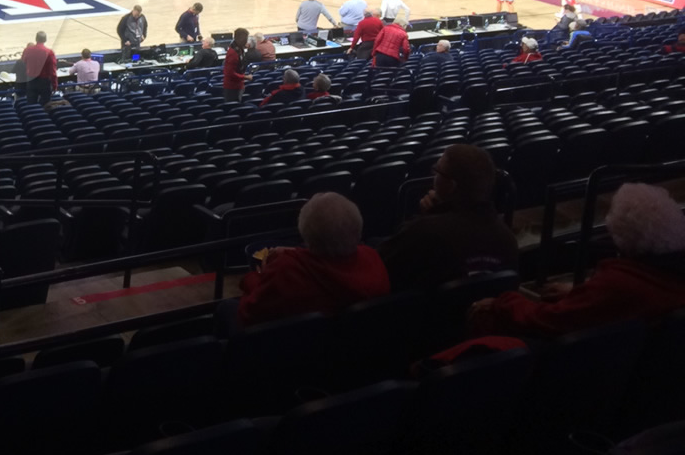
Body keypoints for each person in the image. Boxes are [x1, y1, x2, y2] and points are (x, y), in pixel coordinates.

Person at [467, 183, 685, 337]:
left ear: (622, 238)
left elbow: (548, 319)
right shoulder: (666, 274)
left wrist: (505, 302)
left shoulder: (620, 285)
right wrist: (582, 292)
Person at [234, 193, 389, 329]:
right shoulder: (372, 258)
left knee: (225, 309)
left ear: (306, 237)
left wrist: (255, 276)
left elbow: (248, 314)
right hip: (355, 350)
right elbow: (331, 263)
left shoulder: (287, 272)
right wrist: (296, 253)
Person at [378, 144, 519, 291]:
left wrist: (427, 219)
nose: (434, 176)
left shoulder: (424, 232)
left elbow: (383, 263)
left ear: (451, 186)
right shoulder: (507, 239)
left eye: (437, 171)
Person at [20, 32, 58, 101]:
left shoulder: (27, 50)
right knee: (46, 106)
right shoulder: (49, 52)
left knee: (31, 106)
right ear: (45, 40)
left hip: (31, 81)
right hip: (45, 82)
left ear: (36, 39)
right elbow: (53, 71)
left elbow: (23, 63)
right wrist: (54, 85)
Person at [222, 29, 250, 104]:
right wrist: (245, 77)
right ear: (240, 38)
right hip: (232, 87)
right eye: (245, 38)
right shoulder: (233, 53)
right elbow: (229, 73)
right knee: (233, 107)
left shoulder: (239, 48)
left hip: (238, 84)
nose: (246, 41)